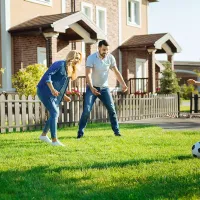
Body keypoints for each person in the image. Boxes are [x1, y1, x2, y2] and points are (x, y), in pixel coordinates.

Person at [77, 40, 128, 139]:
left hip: (104, 88)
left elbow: (116, 72)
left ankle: (116, 132)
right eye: (104, 49)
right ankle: (80, 132)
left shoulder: (110, 58)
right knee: (87, 110)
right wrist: (91, 87)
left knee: (112, 109)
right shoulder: (91, 58)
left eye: (107, 50)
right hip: (92, 87)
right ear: (99, 48)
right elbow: (88, 74)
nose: (106, 52)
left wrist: (123, 84)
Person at [37, 50, 82, 146]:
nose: (77, 60)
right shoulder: (59, 64)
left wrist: (63, 95)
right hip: (44, 90)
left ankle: (43, 135)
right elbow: (47, 76)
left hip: (53, 93)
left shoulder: (69, 69)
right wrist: (52, 89)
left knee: (55, 114)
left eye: (79, 58)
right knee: (55, 112)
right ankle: (54, 140)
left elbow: (60, 84)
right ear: (71, 56)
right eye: (76, 58)